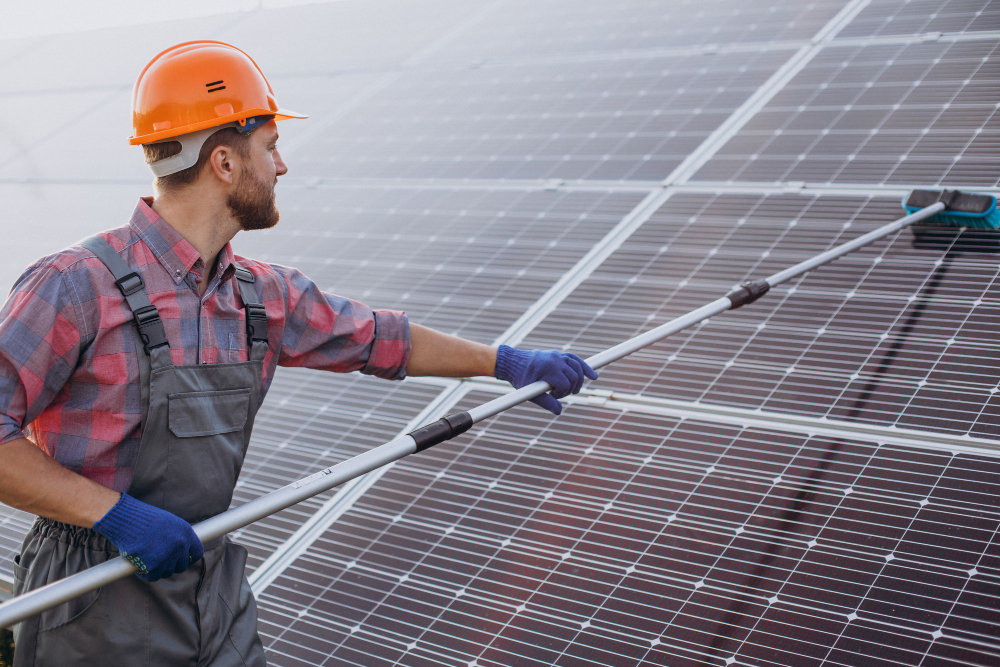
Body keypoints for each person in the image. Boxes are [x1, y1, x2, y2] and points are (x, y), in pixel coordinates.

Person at [0, 41, 596, 666]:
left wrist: (502, 362)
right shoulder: (74, 285)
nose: (281, 167)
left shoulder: (262, 295)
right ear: (225, 162)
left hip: (210, 579)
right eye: (270, 146)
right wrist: (115, 516)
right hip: (93, 591)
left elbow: (380, 338)